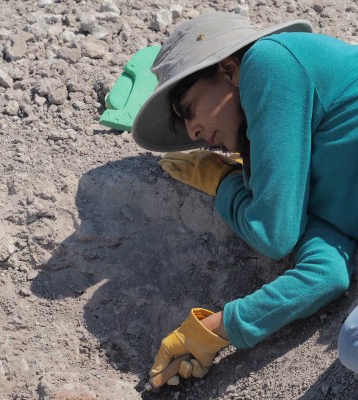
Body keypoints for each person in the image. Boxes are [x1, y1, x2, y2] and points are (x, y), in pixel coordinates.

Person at [132, 11, 358, 383]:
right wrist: (211, 330)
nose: (193, 132)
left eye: (189, 110)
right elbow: (326, 273)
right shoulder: (307, 178)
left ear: (228, 69)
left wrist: (225, 185)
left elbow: (274, 234)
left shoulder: (269, 60)